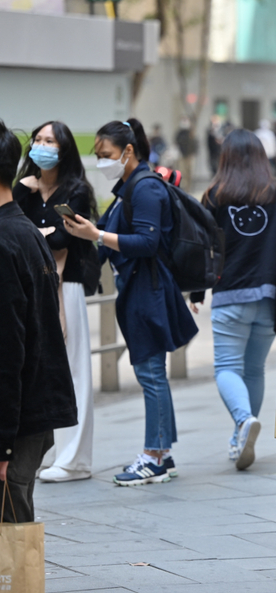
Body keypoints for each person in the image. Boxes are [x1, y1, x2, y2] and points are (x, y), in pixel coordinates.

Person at [62, 119, 198, 487]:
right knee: (153, 375)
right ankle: (162, 454)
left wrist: (98, 235)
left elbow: (147, 243)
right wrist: (88, 234)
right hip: (142, 290)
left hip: (148, 291)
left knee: (151, 375)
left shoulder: (146, 189)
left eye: (105, 155)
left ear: (128, 152)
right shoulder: (129, 187)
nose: (102, 161)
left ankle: (153, 456)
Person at [190, 129, 276, 470]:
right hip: (268, 296)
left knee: (228, 368)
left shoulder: (214, 196)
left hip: (231, 294)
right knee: (254, 369)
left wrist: (197, 291)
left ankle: (244, 421)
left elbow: (204, 250)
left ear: (224, 157)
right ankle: (240, 434)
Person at [0, 119, 78, 522]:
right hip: (32, 412)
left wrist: (4, 447)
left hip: (17, 422)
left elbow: (8, 350)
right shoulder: (26, 231)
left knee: (11, 533)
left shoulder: (6, 240)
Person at [13, 121, 97, 483]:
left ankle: (75, 459)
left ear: (63, 149)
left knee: (75, 367)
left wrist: (42, 232)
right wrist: (21, 189)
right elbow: (11, 228)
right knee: (41, 365)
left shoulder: (76, 190)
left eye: (50, 140)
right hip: (34, 286)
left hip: (69, 285)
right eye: (38, 139)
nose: (42, 145)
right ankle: (56, 454)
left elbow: (63, 237)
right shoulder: (26, 191)